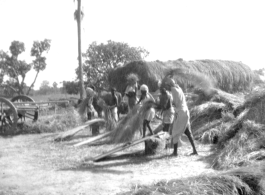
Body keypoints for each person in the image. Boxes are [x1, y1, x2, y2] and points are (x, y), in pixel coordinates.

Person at [164, 77, 198, 156]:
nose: (167, 87)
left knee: (175, 132)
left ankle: (175, 152)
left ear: (170, 85)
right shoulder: (179, 88)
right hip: (186, 111)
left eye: (167, 86)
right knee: (188, 132)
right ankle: (195, 150)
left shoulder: (173, 90)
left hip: (181, 113)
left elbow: (172, 102)